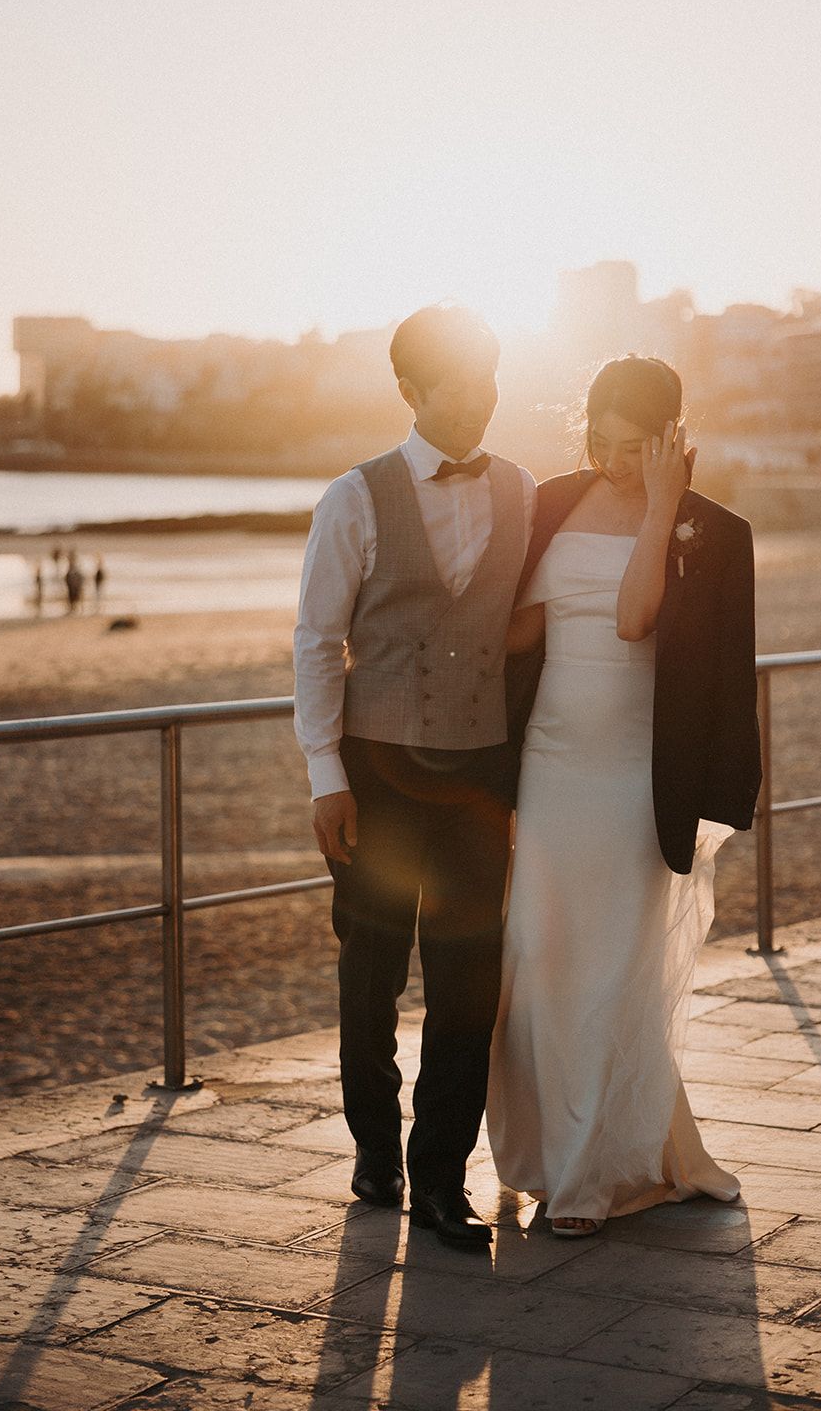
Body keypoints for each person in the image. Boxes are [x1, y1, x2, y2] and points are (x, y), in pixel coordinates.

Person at [488, 356, 762, 1236]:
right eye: (597, 439)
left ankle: (588, 1178)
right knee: (540, 955)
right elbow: (524, 626)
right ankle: (544, 1155)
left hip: (636, 778)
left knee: (613, 970)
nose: (609, 459)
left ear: (671, 437)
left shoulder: (711, 530)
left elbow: (636, 619)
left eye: (632, 446)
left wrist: (657, 506)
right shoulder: (551, 503)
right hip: (549, 761)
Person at [293, 304, 535, 1248]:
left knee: (469, 978)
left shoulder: (520, 489)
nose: (479, 406)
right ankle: (373, 1150)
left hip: (480, 775)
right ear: (409, 392)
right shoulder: (354, 498)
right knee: (370, 972)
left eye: (489, 386)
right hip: (378, 774)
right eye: (457, 390)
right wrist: (325, 776)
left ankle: (441, 1179)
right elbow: (317, 642)